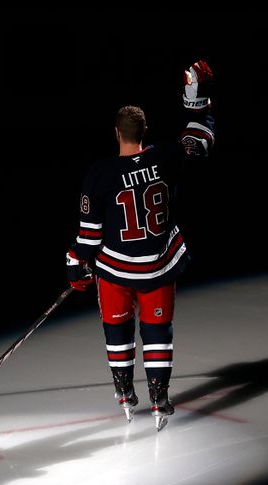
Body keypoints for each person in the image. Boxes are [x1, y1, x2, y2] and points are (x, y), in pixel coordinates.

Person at [66, 60, 215, 430]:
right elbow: (200, 138)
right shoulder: (166, 156)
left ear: (117, 133)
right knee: (156, 331)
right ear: (145, 131)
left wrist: (76, 264)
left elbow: (89, 238)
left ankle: (124, 394)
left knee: (117, 330)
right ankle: (160, 399)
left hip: (116, 269)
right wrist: (197, 97)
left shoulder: (98, 175)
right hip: (159, 266)